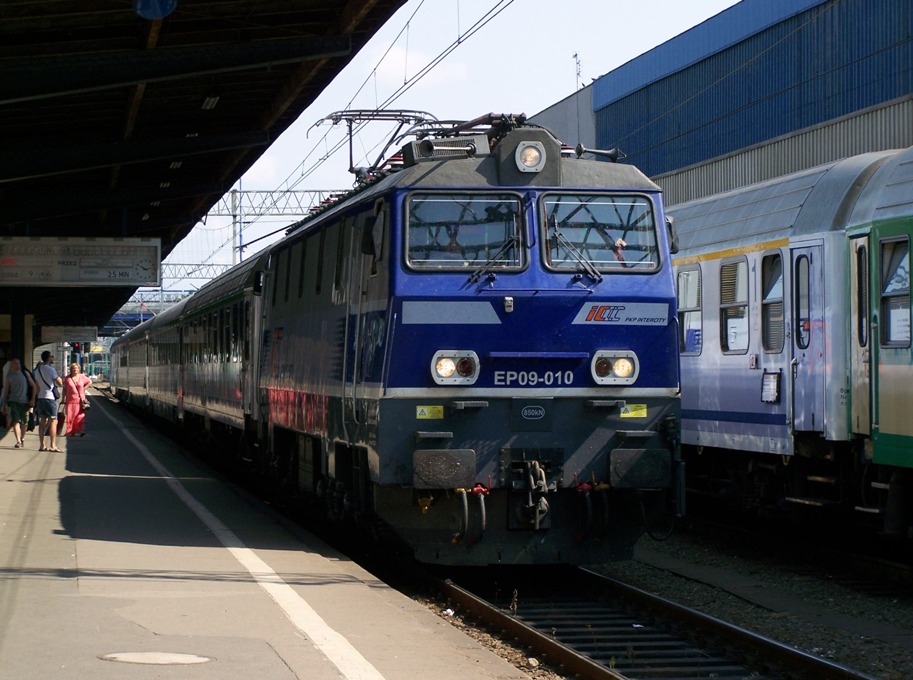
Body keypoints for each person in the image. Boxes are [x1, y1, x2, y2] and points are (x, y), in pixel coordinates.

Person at [1, 358, 36, 448]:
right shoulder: (9, 377)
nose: (18, 365)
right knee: (15, 421)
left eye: (19, 363)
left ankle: (22, 438)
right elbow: (6, 391)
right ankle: (18, 441)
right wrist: (4, 405)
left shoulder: (25, 373)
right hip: (14, 401)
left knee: (24, 422)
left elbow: (33, 386)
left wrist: (32, 399)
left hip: (25, 402)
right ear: (11, 366)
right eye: (15, 364)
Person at [34, 350, 63, 452]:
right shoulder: (51, 369)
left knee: (42, 421)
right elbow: (59, 382)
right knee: (53, 421)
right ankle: (53, 445)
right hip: (50, 398)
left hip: (41, 398)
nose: (52, 358)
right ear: (48, 358)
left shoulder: (37, 370)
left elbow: (37, 386)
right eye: (51, 357)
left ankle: (42, 445)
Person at [63, 363, 91, 437]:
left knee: (80, 416)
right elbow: (64, 389)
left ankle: (80, 430)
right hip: (70, 401)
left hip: (80, 400)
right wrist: (63, 399)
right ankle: (70, 431)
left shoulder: (82, 377)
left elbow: (89, 382)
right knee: (70, 417)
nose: (75, 369)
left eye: (76, 368)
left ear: (79, 369)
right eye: (73, 368)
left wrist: (84, 388)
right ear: (71, 369)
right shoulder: (67, 378)